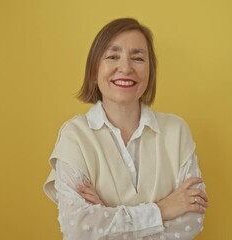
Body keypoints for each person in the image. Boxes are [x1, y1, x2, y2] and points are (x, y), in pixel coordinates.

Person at [44, 18, 208, 240]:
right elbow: (79, 230)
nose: (126, 68)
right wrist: (163, 210)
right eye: (113, 57)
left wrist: (106, 214)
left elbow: (190, 223)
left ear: (150, 72)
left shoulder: (177, 131)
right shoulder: (74, 136)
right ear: (94, 70)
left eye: (138, 58)